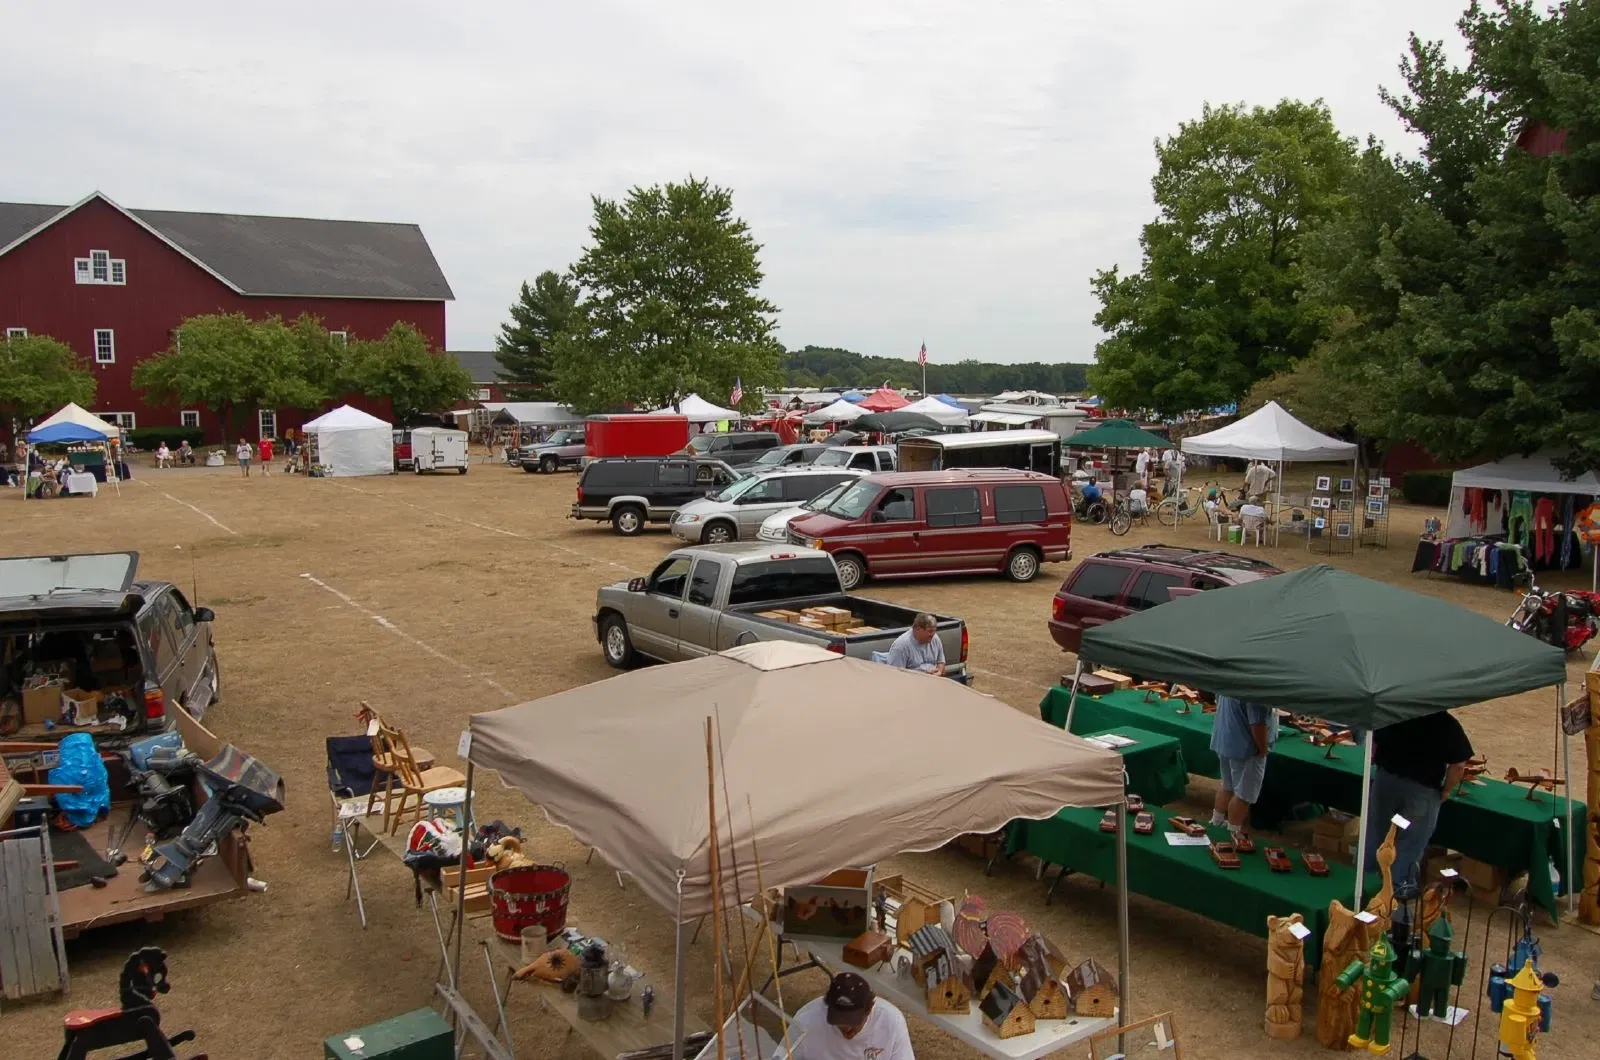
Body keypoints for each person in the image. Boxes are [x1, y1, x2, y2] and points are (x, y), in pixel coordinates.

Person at [1362, 711, 1475, 896]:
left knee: (1379, 831)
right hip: (1420, 792)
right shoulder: (1445, 722)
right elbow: (1459, 766)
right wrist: (1446, 790)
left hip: (1386, 783)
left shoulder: (1395, 712)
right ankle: (1397, 892)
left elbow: (1374, 740)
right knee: (1410, 840)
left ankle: (1367, 883)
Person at [790, 971, 914, 1060]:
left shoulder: (892, 1021)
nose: (847, 1030)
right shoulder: (806, 1019)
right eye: (839, 1022)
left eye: (853, 1022)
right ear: (827, 1008)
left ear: (869, 1010)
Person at [1208, 693, 1278, 843]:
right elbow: (1257, 724)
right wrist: (1263, 748)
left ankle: (1216, 823)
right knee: (1243, 795)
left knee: (1227, 785)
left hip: (1225, 739)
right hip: (1246, 748)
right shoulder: (1257, 689)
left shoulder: (1233, 676)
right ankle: (1233, 836)